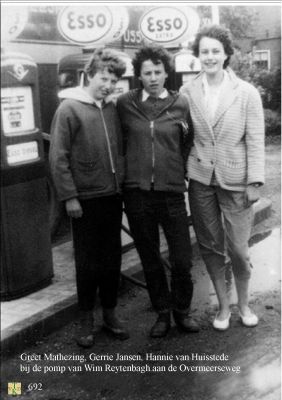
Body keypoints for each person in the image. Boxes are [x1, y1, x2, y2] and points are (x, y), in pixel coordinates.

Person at [180, 25, 265, 330]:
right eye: (204, 51)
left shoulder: (246, 92)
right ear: (198, 56)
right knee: (210, 246)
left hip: (237, 180)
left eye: (216, 51)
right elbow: (183, 137)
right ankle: (224, 308)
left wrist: (255, 181)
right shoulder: (186, 93)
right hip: (201, 179)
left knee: (239, 249)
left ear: (227, 54)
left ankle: (244, 304)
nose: (210, 57)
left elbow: (255, 139)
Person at [117, 44, 199, 338]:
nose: (152, 77)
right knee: (150, 259)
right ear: (138, 76)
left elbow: (188, 139)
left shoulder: (181, 103)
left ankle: (182, 312)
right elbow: (119, 141)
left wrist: (178, 168)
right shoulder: (125, 104)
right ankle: (162, 315)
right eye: (146, 73)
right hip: (137, 194)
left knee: (181, 259)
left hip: (172, 192)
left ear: (167, 73)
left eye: (157, 72)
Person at [49, 48, 129, 348]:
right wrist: (69, 197)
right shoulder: (69, 108)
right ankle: (86, 318)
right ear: (89, 76)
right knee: (87, 262)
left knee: (112, 259)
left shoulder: (110, 108)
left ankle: (110, 314)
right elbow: (58, 157)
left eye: (113, 80)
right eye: (103, 78)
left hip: (112, 195)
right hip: (84, 201)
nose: (108, 85)